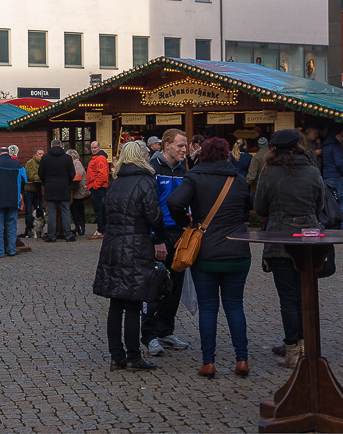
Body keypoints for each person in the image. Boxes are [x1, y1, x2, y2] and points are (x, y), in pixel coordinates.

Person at [168, 137, 252, 379]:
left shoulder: (194, 177)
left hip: (205, 252)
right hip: (237, 250)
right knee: (235, 305)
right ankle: (242, 359)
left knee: (208, 307)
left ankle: (209, 362)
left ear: (202, 154)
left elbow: (174, 201)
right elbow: (245, 210)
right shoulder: (238, 179)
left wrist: (185, 222)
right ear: (227, 154)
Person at [93, 141, 170, 371]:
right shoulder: (146, 181)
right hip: (136, 245)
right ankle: (134, 357)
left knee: (116, 304)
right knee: (134, 302)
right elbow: (154, 215)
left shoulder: (116, 183)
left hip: (113, 245)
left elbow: (106, 215)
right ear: (142, 157)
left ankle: (117, 356)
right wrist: (161, 237)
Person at [254, 129, 324, 369]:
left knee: (288, 298)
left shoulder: (268, 172)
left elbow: (260, 207)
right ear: (299, 147)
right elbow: (320, 204)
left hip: (279, 240)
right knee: (307, 296)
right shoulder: (312, 170)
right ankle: (308, 348)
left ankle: (293, 351)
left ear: (273, 149)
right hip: (309, 241)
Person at [143, 128, 191, 355]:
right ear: (167, 145)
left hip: (179, 235)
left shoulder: (183, 169)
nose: (185, 149)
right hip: (158, 237)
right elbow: (149, 208)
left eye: (186, 145)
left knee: (176, 287)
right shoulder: (153, 168)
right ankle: (149, 335)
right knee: (155, 288)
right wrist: (156, 239)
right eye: (181, 145)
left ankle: (166, 330)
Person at [39, 139, 76, 242]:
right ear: (61, 146)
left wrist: (46, 182)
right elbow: (72, 173)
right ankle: (68, 235)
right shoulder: (67, 158)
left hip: (50, 186)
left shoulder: (45, 158)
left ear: (51, 146)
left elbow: (41, 173)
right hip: (63, 186)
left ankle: (51, 235)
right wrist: (67, 182)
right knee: (65, 211)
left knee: (51, 212)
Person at [322, 126, 343, 229]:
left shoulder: (325, 146)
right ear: (338, 136)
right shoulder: (336, 147)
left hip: (327, 176)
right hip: (337, 176)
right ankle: (342, 226)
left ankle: (332, 225)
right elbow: (339, 163)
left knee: (330, 203)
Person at [87, 141, 110, 239]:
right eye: (92, 148)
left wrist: (95, 186)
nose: (93, 149)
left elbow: (102, 175)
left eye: (95, 147)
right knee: (99, 209)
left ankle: (101, 230)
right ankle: (101, 229)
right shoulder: (95, 158)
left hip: (98, 187)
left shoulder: (100, 158)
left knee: (99, 209)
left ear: (99, 148)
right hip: (96, 187)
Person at [21, 148, 45, 238]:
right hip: (29, 191)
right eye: (40, 154)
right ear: (35, 155)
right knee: (28, 211)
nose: (42, 156)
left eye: (43, 154)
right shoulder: (31, 163)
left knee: (39, 210)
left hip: (38, 190)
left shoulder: (43, 163)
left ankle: (39, 230)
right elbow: (33, 176)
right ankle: (28, 230)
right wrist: (44, 177)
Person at [67, 149, 89, 237]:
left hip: (81, 190)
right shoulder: (73, 163)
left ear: (73, 156)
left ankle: (79, 226)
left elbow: (78, 175)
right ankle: (80, 227)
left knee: (74, 207)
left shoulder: (77, 163)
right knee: (80, 208)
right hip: (77, 191)